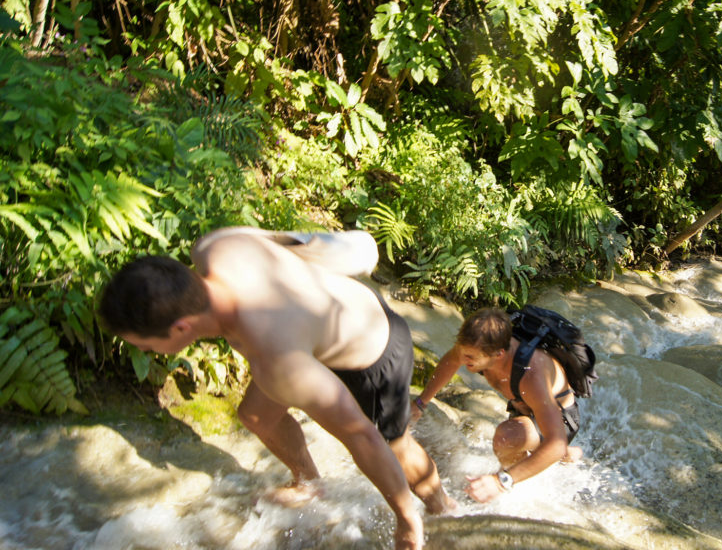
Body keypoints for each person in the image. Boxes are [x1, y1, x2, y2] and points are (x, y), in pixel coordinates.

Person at [99, 227, 455, 550]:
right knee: (256, 415)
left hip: (374, 348)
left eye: (143, 345)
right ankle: (309, 483)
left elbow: (360, 436)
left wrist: (406, 518)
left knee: (395, 444)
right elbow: (298, 241)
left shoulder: (276, 359)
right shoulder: (216, 245)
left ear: (179, 329)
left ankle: (444, 509)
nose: (143, 352)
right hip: (320, 323)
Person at [411, 308, 582, 503]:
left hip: (561, 417)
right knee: (518, 442)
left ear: (499, 354)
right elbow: (451, 361)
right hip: (524, 408)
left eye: (470, 358)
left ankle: (515, 491)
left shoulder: (531, 375)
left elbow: (556, 443)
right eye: (463, 352)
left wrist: (501, 481)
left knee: (506, 438)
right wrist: (420, 403)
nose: (463, 359)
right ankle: (562, 456)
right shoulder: (477, 347)